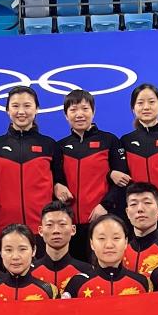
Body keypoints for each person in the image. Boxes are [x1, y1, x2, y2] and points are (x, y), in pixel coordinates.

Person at [0, 86, 66, 231]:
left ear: (36, 109)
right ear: (7, 110)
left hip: (43, 229)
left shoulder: (49, 145)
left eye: (27, 106)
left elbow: (60, 181)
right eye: (15, 106)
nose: (21, 111)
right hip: (4, 229)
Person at [55, 89, 122, 226]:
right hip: (69, 222)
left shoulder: (110, 140)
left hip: (103, 218)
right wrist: (56, 186)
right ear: (66, 115)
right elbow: (55, 180)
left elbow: (122, 181)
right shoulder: (60, 146)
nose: (79, 114)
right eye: (73, 110)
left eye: (85, 109)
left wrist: (105, 205)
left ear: (93, 111)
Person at [63, 214, 153, 298]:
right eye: (101, 238)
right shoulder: (77, 283)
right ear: (92, 243)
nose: (109, 245)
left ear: (125, 242)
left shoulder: (141, 282)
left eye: (116, 238)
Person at [0, 225, 59, 300]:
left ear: (33, 250)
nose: (15, 257)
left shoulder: (49, 291)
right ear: (1, 252)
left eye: (22, 249)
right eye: (8, 250)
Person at [31, 201, 89, 290]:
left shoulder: (87, 272)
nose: (56, 231)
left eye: (62, 224)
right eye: (49, 225)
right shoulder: (28, 272)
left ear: (73, 230)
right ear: (40, 231)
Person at [121, 182, 158, 275]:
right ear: (127, 212)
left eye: (147, 203)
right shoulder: (119, 252)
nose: (140, 209)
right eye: (133, 204)